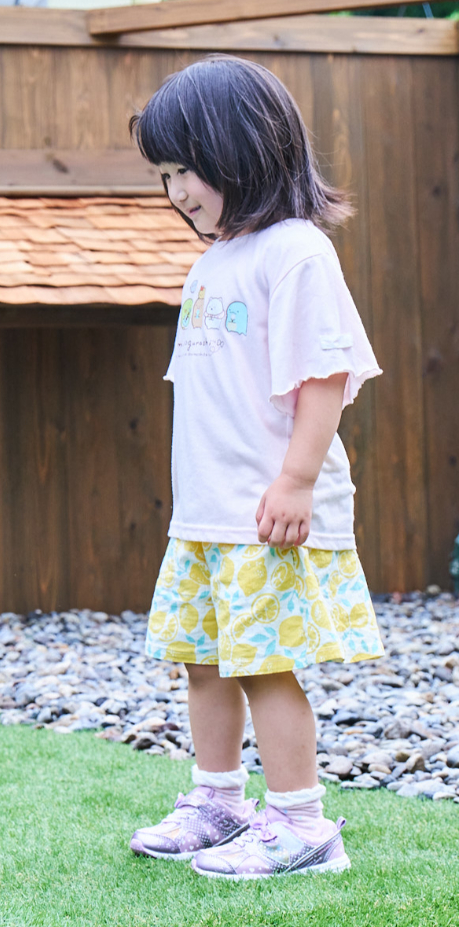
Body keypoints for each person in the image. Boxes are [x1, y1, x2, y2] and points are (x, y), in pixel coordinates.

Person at [126, 55, 384, 878]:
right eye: (164, 176)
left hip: (268, 508)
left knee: (264, 662)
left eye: (185, 170)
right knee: (205, 657)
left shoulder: (295, 252)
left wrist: (297, 481)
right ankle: (218, 800)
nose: (176, 193)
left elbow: (324, 376)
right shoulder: (214, 262)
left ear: (242, 149)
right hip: (211, 511)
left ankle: (302, 822)